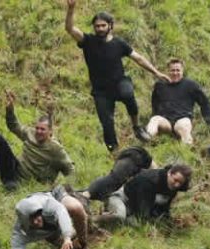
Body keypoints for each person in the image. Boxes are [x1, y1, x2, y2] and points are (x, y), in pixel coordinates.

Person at [65, 0, 170, 152]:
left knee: (128, 94)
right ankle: (114, 152)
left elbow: (138, 58)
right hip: (100, 91)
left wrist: (156, 72)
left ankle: (136, 127)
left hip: (120, 83)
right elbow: (69, 28)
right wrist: (71, 8)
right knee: (106, 123)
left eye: (103, 25)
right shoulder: (88, 41)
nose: (100, 29)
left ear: (110, 26)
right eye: (97, 26)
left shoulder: (119, 43)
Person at [9, 185, 88, 249]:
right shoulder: (20, 232)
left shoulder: (46, 203)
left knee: (76, 207)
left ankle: (83, 241)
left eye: (37, 215)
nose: (37, 221)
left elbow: (61, 211)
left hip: (56, 199)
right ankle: (75, 237)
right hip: (51, 231)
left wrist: (67, 236)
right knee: (71, 247)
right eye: (31, 219)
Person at [92, 164, 192, 225]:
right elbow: (143, 214)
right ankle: (93, 220)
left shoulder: (174, 187)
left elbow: (164, 209)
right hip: (121, 198)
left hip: (136, 206)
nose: (176, 185)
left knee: (137, 222)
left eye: (180, 183)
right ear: (169, 173)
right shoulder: (150, 180)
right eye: (175, 180)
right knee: (121, 217)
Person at [145, 58, 210, 145]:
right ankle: (146, 139)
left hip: (182, 118)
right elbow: (154, 103)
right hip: (165, 121)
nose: (175, 73)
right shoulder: (160, 85)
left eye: (178, 70)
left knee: (183, 126)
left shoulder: (191, 85)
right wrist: (154, 114)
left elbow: (204, 103)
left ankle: (187, 151)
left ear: (182, 71)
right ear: (168, 71)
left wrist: (209, 122)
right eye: (172, 70)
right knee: (154, 120)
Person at [80, 146, 156, 202]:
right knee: (113, 180)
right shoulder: (158, 176)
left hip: (136, 157)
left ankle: (81, 194)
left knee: (111, 187)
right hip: (136, 157)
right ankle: (85, 194)